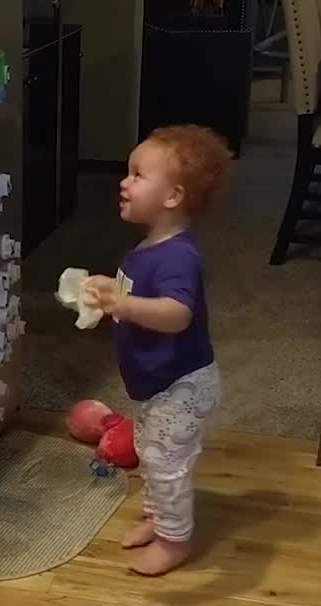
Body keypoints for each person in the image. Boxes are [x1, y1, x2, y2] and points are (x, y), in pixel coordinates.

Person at [82, 124, 233, 576]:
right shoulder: (148, 248)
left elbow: (176, 313)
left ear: (172, 197)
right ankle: (159, 517)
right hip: (156, 381)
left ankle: (175, 540)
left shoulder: (177, 256)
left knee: (166, 463)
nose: (124, 183)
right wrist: (112, 292)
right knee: (151, 451)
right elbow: (136, 297)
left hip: (181, 384)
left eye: (137, 175)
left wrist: (124, 303)